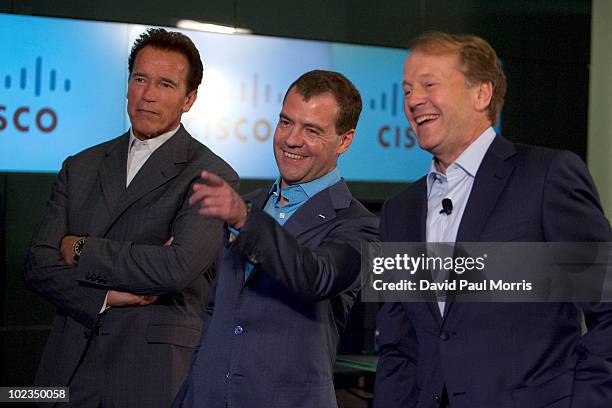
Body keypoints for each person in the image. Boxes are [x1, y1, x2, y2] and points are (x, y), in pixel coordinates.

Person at [373, 32, 612, 408]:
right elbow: (397, 346)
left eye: (428, 84)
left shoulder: (548, 176)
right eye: (406, 90)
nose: (413, 100)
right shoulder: (398, 211)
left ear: (481, 94)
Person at [24, 28, 238, 407]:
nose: (148, 94)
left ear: (189, 99)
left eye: (166, 84)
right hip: (66, 369)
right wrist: (104, 295)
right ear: (127, 85)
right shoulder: (81, 166)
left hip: (150, 375)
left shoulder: (210, 175)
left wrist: (81, 247)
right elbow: (38, 263)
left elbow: (173, 268)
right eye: (140, 79)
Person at [173, 70, 378, 408]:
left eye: (311, 130)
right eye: (286, 122)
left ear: (344, 141)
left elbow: (315, 276)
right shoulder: (247, 205)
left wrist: (244, 220)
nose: (291, 139)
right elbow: (213, 315)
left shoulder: (359, 224)